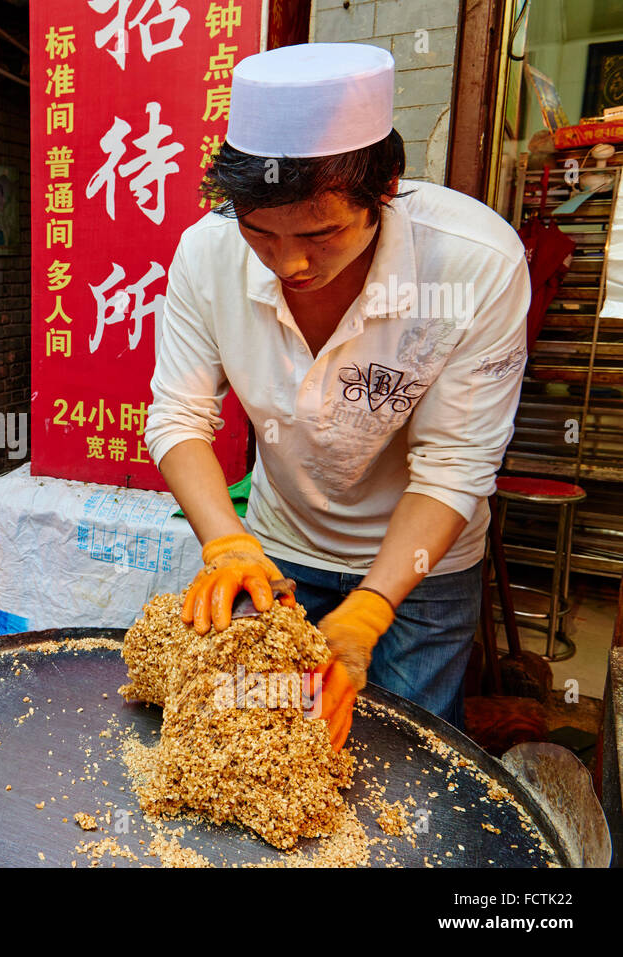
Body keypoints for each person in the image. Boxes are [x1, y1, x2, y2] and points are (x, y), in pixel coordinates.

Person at [145, 43, 531, 749]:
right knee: (264, 745)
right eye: (262, 234)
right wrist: (228, 543)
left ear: (383, 191)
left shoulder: (476, 263)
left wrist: (371, 609)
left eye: (320, 235)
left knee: (405, 758)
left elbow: (454, 466)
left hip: (423, 566)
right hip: (278, 547)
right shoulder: (207, 252)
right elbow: (179, 414)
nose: (290, 263)